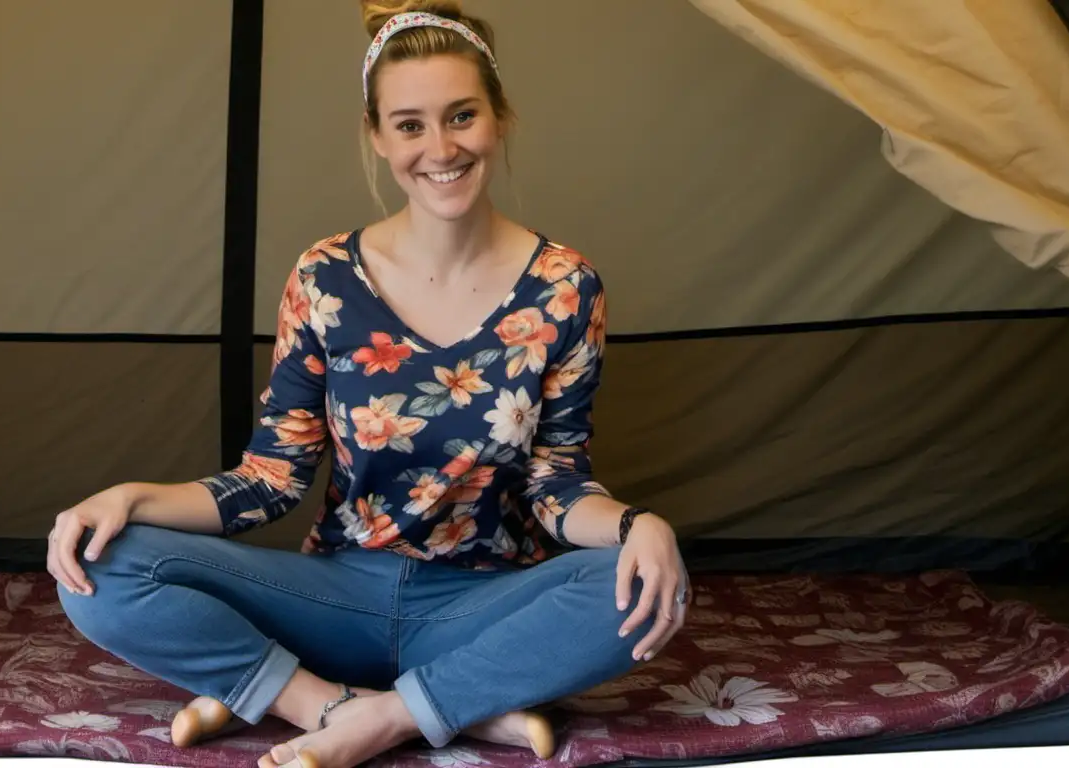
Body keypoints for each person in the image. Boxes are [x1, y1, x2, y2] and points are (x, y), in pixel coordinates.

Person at [46, 2, 691, 767]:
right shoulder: (324, 278)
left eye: (462, 116)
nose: (441, 147)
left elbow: (555, 485)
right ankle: (346, 705)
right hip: (334, 597)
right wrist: (130, 498)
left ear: (499, 118)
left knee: (645, 584)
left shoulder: (566, 287)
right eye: (410, 124)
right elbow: (271, 480)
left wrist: (636, 525)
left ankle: (363, 707)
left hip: (479, 602)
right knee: (107, 562)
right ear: (378, 135)